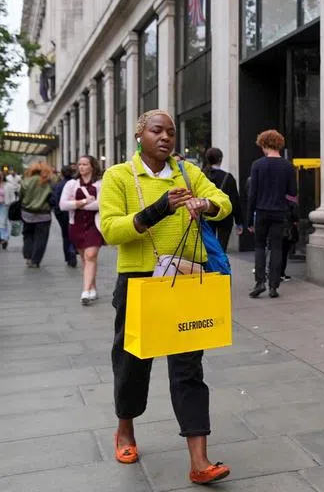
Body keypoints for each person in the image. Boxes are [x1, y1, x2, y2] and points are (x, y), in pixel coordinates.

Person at [100, 109, 232, 486]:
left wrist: (205, 205)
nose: (166, 138)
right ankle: (125, 430)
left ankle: (199, 460)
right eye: (157, 130)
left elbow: (223, 201)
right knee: (132, 363)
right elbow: (111, 230)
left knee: (189, 368)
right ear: (139, 134)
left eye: (171, 132)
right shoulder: (119, 176)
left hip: (187, 279)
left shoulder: (188, 172)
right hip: (140, 281)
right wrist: (160, 209)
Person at [246, 129, 295, 299]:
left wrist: (249, 219)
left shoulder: (257, 165)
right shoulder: (288, 166)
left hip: (261, 212)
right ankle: (274, 286)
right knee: (276, 248)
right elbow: (292, 192)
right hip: (279, 212)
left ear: (264, 144)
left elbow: (252, 194)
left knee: (259, 247)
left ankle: (260, 282)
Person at [60, 155, 104, 305]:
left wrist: (77, 204)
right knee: (85, 258)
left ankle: (85, 291)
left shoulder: (100, 184)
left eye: (85, 164)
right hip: (76, 225)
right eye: (80, 164)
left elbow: (101, 204)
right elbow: (63, 205)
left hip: (94, 225)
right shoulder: (71, 184)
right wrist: (84, 201)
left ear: (92, 166)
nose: (82, 167)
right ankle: (92, 286)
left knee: (91, 255)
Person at [202, 148, 242, 253]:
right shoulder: (228, 177)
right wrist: (239, 222)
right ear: (220, 159)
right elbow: (235, 201)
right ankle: (220, 267)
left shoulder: (202, 175)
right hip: (225, 216)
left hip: (206, 215)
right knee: (221, 248)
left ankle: (210, 267)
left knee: (208, 248)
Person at [21, 162, 59, 268]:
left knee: (28, 235)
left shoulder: (26, 181)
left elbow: (20, 196)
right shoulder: (48, 182)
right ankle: (35, 260)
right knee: (41, 238)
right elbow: (54, 197)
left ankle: (28, 256)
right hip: (43, 214)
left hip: (27, 213)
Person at [51, 163, 79, 267]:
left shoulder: (58, 185)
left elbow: (55, 200)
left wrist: (57, 211)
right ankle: (73, 249)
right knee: (73, 232)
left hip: (61, 213)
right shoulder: (76, 183)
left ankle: (68, 256)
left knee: (65, 235)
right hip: (74, 211)